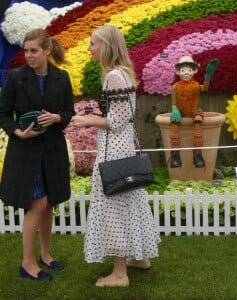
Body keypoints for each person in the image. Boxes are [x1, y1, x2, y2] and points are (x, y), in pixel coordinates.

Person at [73, 25, 160, 288]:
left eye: (92, 44)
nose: (89, 49)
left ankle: (120, 274)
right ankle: (138, 257)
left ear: (106, 46)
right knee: (129, 202)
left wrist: (87, 119)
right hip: (123, 148)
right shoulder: (122, 74)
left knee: (113, 208)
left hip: (113, 151)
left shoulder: (113, 76)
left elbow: (118, 120)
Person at [0, 28, 75, 281]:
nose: (28, 55)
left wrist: (56, 118)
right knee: (38, 203)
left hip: (52, 150)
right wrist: (18, 132)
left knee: (49, 203)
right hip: (25, 151)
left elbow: (68, 112)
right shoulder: (15, 77)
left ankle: (46, 255)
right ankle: (27, 262)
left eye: (33, 51)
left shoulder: (61, 78)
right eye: (26, 50)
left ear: (47, 51)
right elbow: (2, 114)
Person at [169, 55, 219, 168]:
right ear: (178, 72)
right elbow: (174, 102)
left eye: (189, 70)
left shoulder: (196, 85)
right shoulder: (175, 87)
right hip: (180, 111)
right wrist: (174, 109)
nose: (186, 73)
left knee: (198, 120)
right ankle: (175, 156)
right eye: (183, 70)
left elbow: (205, 88)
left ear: (194, 71)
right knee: (174, 122)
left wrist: (208, 76)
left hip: (193, 111)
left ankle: (197, 155)